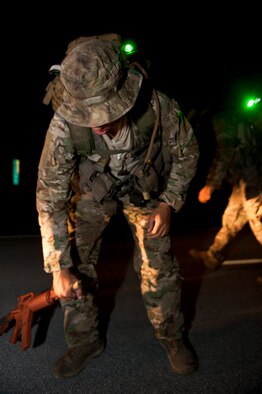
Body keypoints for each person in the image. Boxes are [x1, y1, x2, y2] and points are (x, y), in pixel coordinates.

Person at [36, 35, 200, 379]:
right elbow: (50, 194)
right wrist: (57, 266)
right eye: (86, 113)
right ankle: (84, 341)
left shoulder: (157, 107)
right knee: (74, 264)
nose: (96, 123)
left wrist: (169, 202)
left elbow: (187, 152)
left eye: (104, 111)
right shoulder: (64, 125)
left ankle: (171, 337)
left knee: (159, 264)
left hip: (144, 194)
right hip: (94, 195)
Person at [189, 97, 262, 269]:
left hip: (254, 180)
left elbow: (225, 154)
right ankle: (213, 255)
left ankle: (214, 254)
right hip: (243, 180)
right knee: (230, 218)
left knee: (258, 223)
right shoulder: (231, 118)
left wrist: (210, 186)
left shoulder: (222, 120)